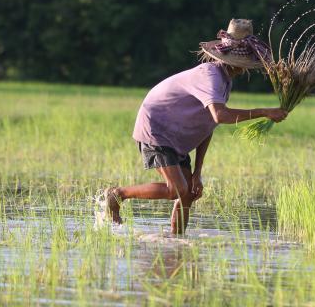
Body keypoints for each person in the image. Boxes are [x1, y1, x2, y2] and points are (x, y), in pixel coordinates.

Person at [102, 19, 288, 234]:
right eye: (244, 61)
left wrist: (197, 172)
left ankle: (177, 240)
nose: (245, 67)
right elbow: (220, 116)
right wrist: (265, 112)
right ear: (230, 59)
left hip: (176, 134)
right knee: (176, 190)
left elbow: (207, 126)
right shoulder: (210, 76)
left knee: (188, 191)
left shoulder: (225, 81)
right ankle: (118, 194)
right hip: (157, 127)